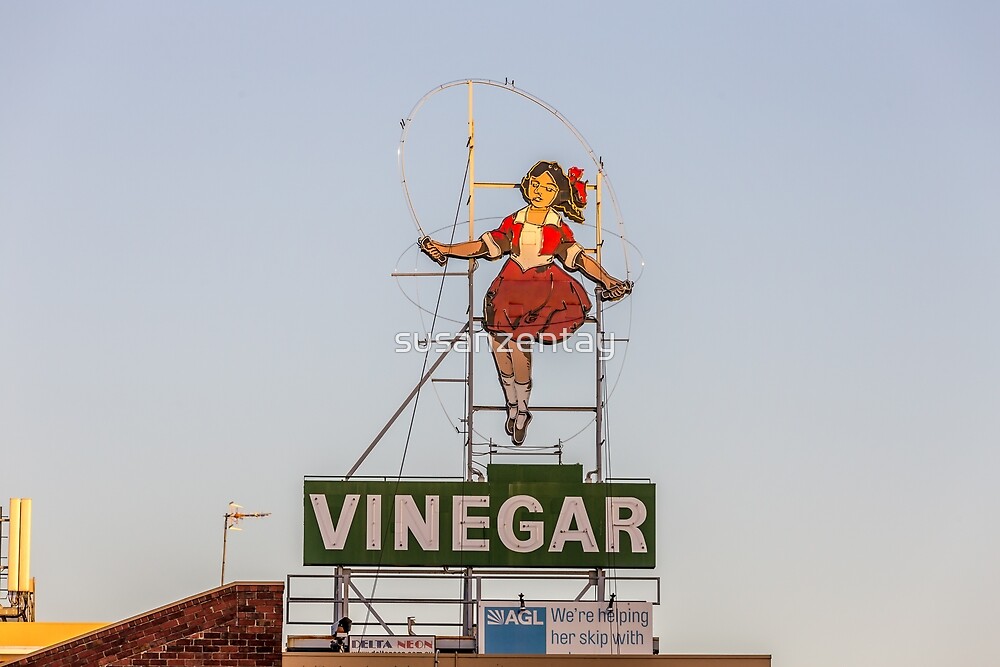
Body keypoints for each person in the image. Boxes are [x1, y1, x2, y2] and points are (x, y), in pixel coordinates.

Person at [419, 160, 631, 445]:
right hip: (510, 286)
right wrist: (446, 249)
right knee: (499, 348)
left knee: (519, 347)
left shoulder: (557, 227)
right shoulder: (515, 220)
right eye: (535, 184)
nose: (539, 191)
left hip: (541, 288)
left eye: (548, 187)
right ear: (527, 184)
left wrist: (607, 279)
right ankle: (514, 406)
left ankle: (522, 409)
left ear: (557, 193)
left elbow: (578, 259)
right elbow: (486, 245)